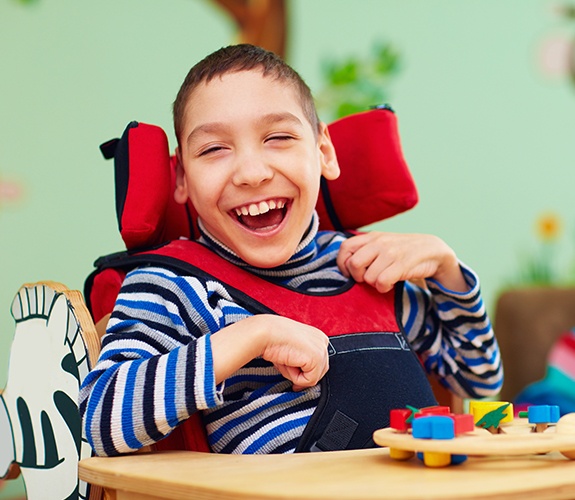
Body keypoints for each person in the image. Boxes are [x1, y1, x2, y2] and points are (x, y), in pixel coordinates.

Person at [80, 44, 503, 457]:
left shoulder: (367, 267)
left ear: (323, 152)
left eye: (278, 137)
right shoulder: (174, 284)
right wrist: (250, 336)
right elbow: (96, 420)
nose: (251, 173)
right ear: (182, 179)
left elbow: (478, 381)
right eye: (213, 149)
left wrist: (448, 270)